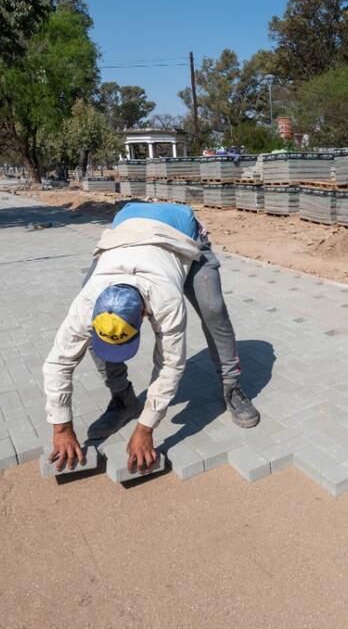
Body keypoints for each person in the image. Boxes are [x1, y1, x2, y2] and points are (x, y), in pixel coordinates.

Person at [43, 202, 260, 473]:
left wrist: (147, 428)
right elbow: (57, 363)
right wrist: (61, 427)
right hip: (124, 236)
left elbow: (170, 365)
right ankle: (123, 400)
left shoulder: (165, 301)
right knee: (95, 335)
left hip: (181, 235)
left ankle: (231, 386)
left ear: (145, 313)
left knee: (212, 308)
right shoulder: (87, 302)